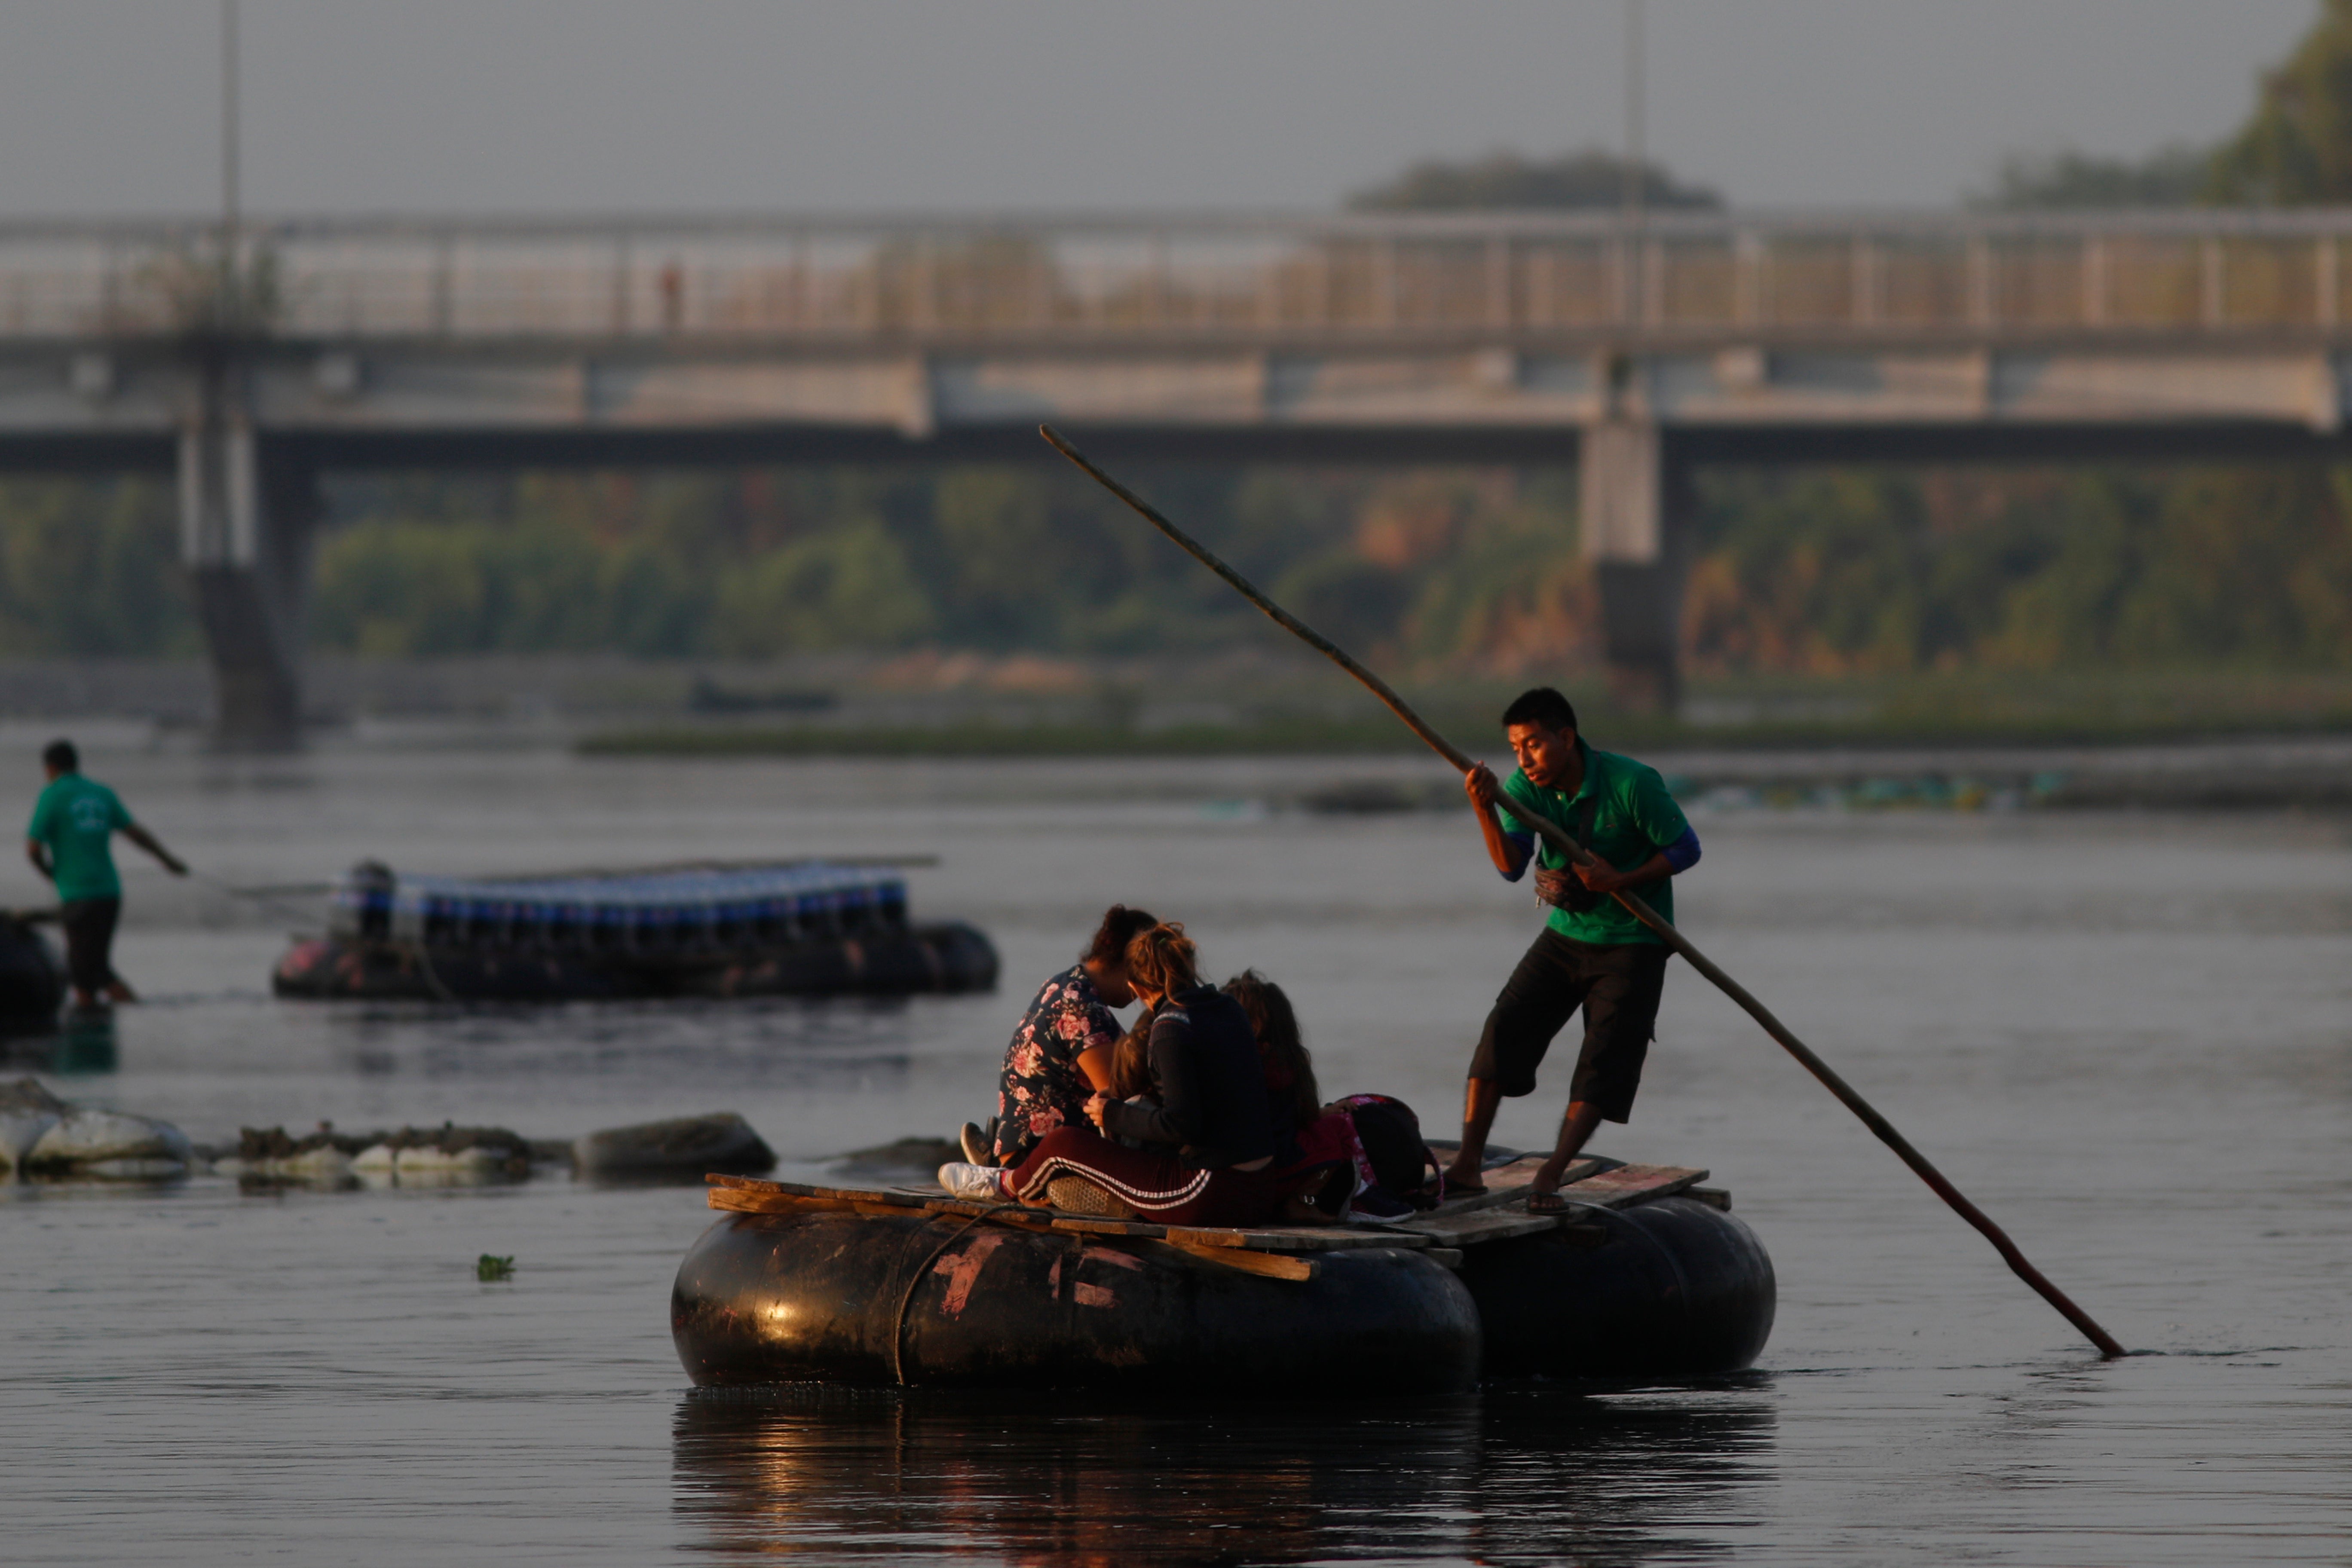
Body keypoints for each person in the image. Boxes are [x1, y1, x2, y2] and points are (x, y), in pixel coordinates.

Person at [1443, 688, 1700, 1213]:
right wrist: (1484, 808)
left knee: (1602, 1064)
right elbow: (1511, 868)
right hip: (1565, 936)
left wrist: (1621, 878)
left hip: (1634, 941)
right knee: (1503, 1030)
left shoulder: (1632, 783)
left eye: (1534, 745)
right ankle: (1466, 1167)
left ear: (1566, 738)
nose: (1524, 759)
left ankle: (1551, 1175)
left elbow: (1685, 849)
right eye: (1516, 748)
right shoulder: (1523, 787)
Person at [939, 922, 1280, 1227]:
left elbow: (1182, 1125)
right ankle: (1028, 1179)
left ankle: (1002, 1186)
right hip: (1260, 1187)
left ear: (1138, 987)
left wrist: (1113, 1114)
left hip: (1207, 1195)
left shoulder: (1170, 1027)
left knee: (1063, 1143)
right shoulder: (1229, 1009)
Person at [966, 903, 1158, 1167]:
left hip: (1021, 1145)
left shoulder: (1065, 983)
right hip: (1042, 1160)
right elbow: (1120, 1100)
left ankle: (993, 1160)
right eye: (1147, 969)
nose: (1146, 985)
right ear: (1129, 962)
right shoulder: (1083, 1009)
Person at [25, 739, 187, 1008]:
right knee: (86, 971)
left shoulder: (51, 795)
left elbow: (32, 849)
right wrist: (168, 861)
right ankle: (91, 1024)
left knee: (92, 970)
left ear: (50, 768)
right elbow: (135, 833)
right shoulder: (102, 793)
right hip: (109, 894)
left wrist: (50, 874)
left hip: (76, 894)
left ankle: (138, 1012)